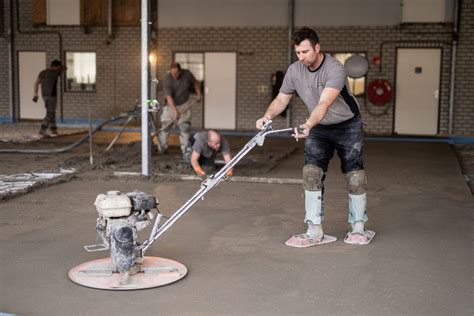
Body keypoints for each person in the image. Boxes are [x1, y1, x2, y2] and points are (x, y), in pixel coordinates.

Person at [256, 27, 375, 247]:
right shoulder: (294, 71)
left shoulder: (334, 69)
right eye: (298, 53)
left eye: (305, 52)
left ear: (317, 48)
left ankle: (359, 226)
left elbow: (324, 103)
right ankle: (314, 230)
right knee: (311, 173)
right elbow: (281, 99)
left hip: (347, 125)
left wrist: (308, 125)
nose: (301, 57)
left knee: (355, 175)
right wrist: (267, 116)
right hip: (319, 127)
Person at [158, 62, 202, 156]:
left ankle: (185, 150)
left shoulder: (187, 74)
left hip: (184, 104)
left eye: (176, 73)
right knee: (165, 126)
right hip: (170, 105)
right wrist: (175, 112)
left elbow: (196, 83)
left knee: (185, 127)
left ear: (180, 71)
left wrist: (198, 94)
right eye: (172, 73)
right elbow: (169, 97)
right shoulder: (167, 79)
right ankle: (162, 148)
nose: (174, 75)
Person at [33, 59, 65, 137]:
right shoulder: (55, 73)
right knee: (50, 113)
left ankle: (53, 130)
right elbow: (65, 68)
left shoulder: (42, 72)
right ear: (56, 67)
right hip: (52, 96)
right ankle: (42, 129)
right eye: (58, 67)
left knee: (52, 113)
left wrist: (35, 94)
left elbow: (36, 83)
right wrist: (61, 68)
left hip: (44, 95)